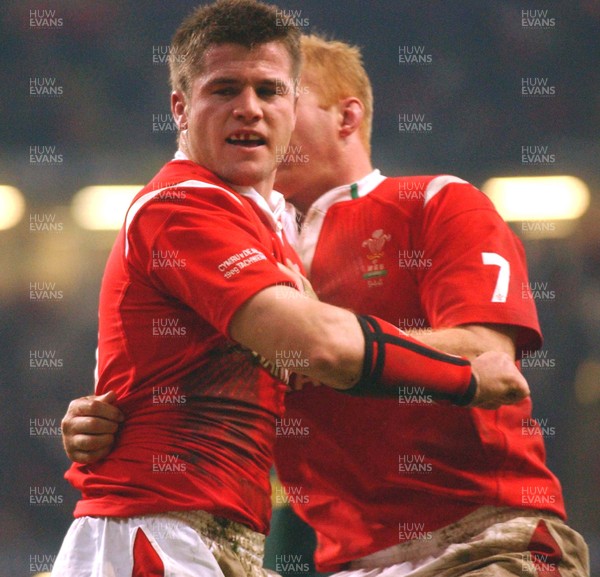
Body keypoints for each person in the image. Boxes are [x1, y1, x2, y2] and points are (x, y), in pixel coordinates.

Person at [55, 15, 538, 577]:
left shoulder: (435, 202)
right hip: (310, 553)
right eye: (226, 90)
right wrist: (115, 414)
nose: (252, 110)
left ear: (346, 115)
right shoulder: (210, 214)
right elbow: (310, 347)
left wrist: (327, 353)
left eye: (275, 92)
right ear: (181, 109)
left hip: (477, 540)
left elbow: (488, 353)